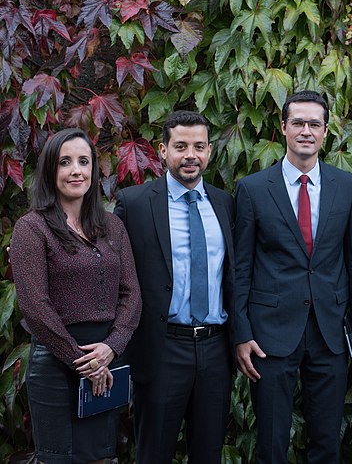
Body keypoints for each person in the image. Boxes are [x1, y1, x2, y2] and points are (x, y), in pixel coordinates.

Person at [233, 89, 352, 464]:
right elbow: (240, 268)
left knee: (327, 443)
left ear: (326, 132)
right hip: (270, 332)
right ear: (283, 128)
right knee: (272, 442)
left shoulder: (346, 187)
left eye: (315, 124)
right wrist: (241, 332)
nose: (306, 131)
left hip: (330, 329)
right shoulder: (252, 189)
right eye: (298, 123)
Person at [10, 128, 141, 463]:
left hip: (107, 357)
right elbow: (35, 307)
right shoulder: (31, 228)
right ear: (50, 170)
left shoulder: (112, 226)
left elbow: (131, 295)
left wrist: (111, 348)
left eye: (84, 161)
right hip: (58, 363)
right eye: (65, 162)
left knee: (101, 457)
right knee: (59, 459)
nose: (76, 170)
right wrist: (84, 364)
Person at [114, 110, 235, 464]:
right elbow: (110, 266)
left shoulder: (224, 203)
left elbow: (234, 276)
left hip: (215, 350)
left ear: (210, 151)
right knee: (153, 454)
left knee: (208, 454)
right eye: (180, 146)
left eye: (199, 146)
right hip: (162, 348)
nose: (190, 155)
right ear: (162, 150)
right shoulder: (134, 203)